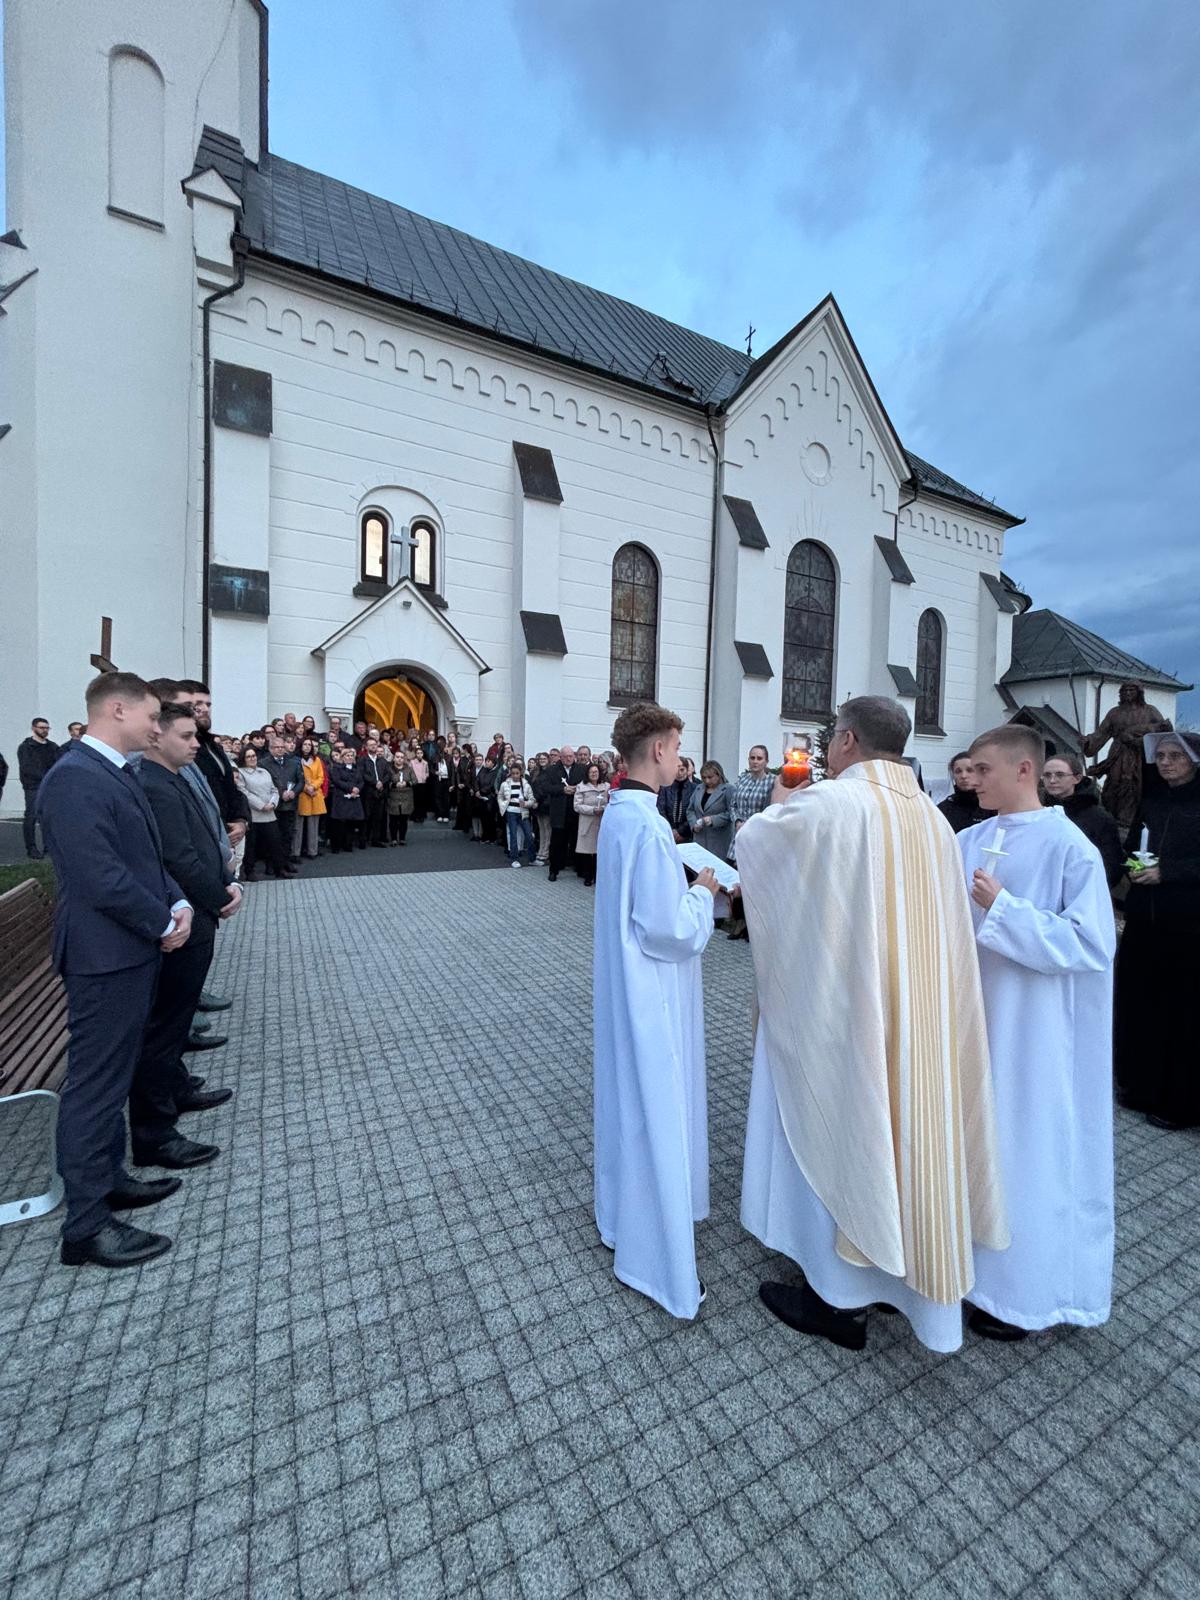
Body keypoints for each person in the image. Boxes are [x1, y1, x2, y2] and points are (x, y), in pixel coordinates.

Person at [738, 696, 1008, 1353]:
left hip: (849, 1008)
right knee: (908, 1133)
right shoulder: (933, 817)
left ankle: (839, 1296)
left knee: (851, 1124)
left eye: (833, 737)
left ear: (847, 740)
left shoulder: (832, 802)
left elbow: (757, 849)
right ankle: (893, 1278)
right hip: (920, 1014)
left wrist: (781, 798)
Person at [962, 723, 1116, 1341]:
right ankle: (967, 1271)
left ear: (1024, 770)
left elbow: (1091, 944)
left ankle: (1022, 1295)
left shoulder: (1070, 848)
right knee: (977, 1145)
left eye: (984, 770)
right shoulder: (969, 839)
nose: (972, 781)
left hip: (1036, 1033)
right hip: (974, 1019)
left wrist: (1005, 909)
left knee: (1026, 1152)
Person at [36, 672, 193, 1269]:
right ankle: (86, 1226)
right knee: (95, 1087)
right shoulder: (74, 778)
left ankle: (109, 1179)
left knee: (114, 1076)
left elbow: (144, 858)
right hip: (104, 957)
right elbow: (100, 876)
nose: (157, 728)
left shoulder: (114, 771)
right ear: (119, 710)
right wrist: (161, 920)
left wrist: (176, 900)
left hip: (128, 950)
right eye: (152, 717)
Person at [593, 702, 720, 1319]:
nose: (679, 759)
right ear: (660, 749)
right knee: (656, 1107)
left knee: (631, 1104)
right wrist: (702, 893)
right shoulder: (645, 825)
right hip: (652, 991)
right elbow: (666, 928)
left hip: (629, 985)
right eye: (677, 747)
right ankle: (660, 1262)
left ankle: (624, 1218)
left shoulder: (623, 812)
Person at [134, 703, 239, 1169]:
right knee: (165, 1025)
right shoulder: (153, 784)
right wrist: (218, 897)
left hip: (196, 912)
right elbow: (178, 857)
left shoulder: (173, 778)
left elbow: (202, 842)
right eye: (186, 735)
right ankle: (154, 1133)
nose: (196, 743)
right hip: (186, 917)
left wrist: (225, 883)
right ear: (157, 737)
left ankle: (174, 1087)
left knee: (176, 1020)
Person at [1115, 731, 1200, 1129]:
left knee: (1181, 1014)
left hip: (1187, 924)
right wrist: (1135, 864)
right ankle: (1140, 1086)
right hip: (1144, 919)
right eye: (1161, 756)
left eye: (1175, 756)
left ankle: (1181, 1102)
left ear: (1194, 761)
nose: (1165, 762)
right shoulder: (1152, 801)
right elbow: (1134, 844)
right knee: (1141, 1005)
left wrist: (1168, 872)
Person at [1081, 681, 1172, 832]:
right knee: (1113, 785)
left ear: (1139, 692)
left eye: (1132, 690)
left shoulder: (1150, 711)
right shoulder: (1114, 713)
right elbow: (1101, 733)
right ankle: (1111, 818)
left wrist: (1143, 739)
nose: (1128, 693)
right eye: (1125, 690)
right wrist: (1087, 741)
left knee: (1134, 785)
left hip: (1141, 756)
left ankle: (1129, 822)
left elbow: (1164, 732)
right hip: (1119, 755)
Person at [1041, 754, 1124, 888]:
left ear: (1077, 778)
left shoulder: (1100, 819)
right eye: (1047, 775)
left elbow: (1112, 866)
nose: (1052, 780)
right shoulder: (1036, 812)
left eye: (1060, 775)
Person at [725, 745, 774, 939]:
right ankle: (739, 920)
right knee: (737, 879)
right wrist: (737, 820)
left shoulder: (771, 782)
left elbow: (771, 808)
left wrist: (751, 823)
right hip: (739, 836)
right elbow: (733, 804)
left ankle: (753, 925)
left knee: (755, 882)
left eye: (759, 758)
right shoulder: (743, 779)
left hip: (759, 837)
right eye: (752, 758)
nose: (755, 761)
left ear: (766, 761)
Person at [234, 747, 293, 880]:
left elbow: (274, 789)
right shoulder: (241, 773)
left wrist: (273, 803)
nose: (252, 758)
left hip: (269, 813)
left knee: (275, 842)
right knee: (251, 846)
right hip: (253, 814)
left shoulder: (264, 771)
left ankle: (279, 869)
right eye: (249, 756)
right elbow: (244, 792)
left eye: (254, 756)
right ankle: (250, 871)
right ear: (243, 759)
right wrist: (261, 805)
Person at [18, 715, 60, 858]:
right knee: (31, 816)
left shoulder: (52, 747)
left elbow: (58, 764)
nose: (45, 730)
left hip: (50, 787)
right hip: (33, 787)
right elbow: (27, 768)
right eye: (42, 728)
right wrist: (45, 777)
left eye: (47, 728)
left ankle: (49, 846)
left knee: (48, 817)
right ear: (33, 728)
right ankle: (31, 848)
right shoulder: (26, 747)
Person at [547, 744, 585, 880]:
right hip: (559, 812)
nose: (569, 759)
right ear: (560, 757)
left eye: (571, 756)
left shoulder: (581, 769)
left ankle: (579, 868)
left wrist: (577, 789)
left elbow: (586, 784)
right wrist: (562, 790)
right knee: (557, 843)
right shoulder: (552, 770)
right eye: (566, 757)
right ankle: (554, 870)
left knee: (576, 841)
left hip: (575, 812)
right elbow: (545, 787)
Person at [263, 737, 303, 860]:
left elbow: (301, 781)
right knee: (272, 836)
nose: (280, 749)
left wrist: (294, 792)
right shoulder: (263, 763)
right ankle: (272, 863)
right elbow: (265, 783)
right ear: (270, 749)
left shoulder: (294, 762)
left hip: (289, 804)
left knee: (288, 834)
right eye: (277, 747)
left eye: (282, 747)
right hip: (273, 805)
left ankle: (285, 862)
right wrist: (281, 793)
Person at [688, 761, 734, 862]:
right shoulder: (699, 788)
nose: (707, 781)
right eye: (704, 777)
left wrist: (713, 820)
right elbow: (690, 810)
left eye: (710, 777)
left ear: (718, 775)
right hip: (700, 840)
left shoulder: (728, 789)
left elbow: (732, 813)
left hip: (719, 842)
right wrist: (693, 824)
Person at [938, 752, 994, 834]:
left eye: (970, 770)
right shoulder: (943, 809)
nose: (963, 776)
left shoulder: (993, 806)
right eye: (958, 771)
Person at [573, 762, 610, 886]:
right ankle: (587, 876)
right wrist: (592, 810)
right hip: (587, 821)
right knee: (588, 851)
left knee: (600, 851)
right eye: (591, 772)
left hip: (601, 821)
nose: (594, 774)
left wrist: (603, 809)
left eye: (596, 772)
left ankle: (598, 876)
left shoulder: (606, 786)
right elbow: (577, 806)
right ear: (587, 774)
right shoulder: (581, 786)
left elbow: (610, 803)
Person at [498, 760, 537, 867]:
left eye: (517, 773)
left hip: (523, 812)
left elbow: (532, 799)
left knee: (529, 835)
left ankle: (532, 859)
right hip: (511, 813)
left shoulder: (526, 784)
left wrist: (526, 803)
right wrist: (503, 806)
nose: (515, 775)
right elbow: (500, 796)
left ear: (521, 773)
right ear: (510, 773)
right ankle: (514, 859)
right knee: (513, 835)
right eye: (513, 773)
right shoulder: (505, 784)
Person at [327, 748, 365, 852]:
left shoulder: (357, 768)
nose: (350, 757)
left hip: (354, 797)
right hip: (341, 797)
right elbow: (337, 781)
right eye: (347, 756)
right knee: (339, 823)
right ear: (342, 757)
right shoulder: (337, 768)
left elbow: (361, 781)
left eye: (351, 756)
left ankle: (348, 844)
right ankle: (336, 846)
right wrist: (351, 788)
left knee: (351, 822)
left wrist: (357, 789)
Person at [656, 755, 700, 843]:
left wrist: (681, 832)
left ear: (687, 770)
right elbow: (661, 810)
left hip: (688, 835)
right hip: (667, 833)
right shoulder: (665, 788)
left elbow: (695, 811)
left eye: (682, 769)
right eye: (676, 769)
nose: (679, 773)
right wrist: (670, 830)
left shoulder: (695, 788)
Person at [296, 737, 327, 858]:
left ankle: (312, 851)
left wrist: (313, 787)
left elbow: (321, 777)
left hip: (315, 794)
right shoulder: (296, 759)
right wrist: (306, 788)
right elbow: (295, 777)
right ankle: (295, 852)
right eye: (305, 744)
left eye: (309, 745)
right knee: (298, 827)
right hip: (301, 794)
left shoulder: (317, 759)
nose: (307, 747)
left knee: (313, 825)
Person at [358, 737, 392, 847]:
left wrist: (382, 782)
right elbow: (362, 774)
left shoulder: (382, 761)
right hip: (368, 791)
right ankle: (363, 840)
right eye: (371, 744)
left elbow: (388, 774)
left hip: (381, 792)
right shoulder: (362, 760)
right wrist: (375, 782)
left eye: (375, 744)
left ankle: (375, 840)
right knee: (366, 816)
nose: (373, 746)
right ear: (366, 747)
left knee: (378, 817)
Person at [386, 749, 415, 844]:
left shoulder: (409, 769)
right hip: (393, 797)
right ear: (394, 758)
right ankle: (393, 839)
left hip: (406, 797)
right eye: (397, 757)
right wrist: (394, 784)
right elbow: (386, 782)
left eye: (402, 757)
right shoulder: (389, 769)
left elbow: (415, 781)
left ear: (404, 759)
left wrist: (407, 783)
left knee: (403, 820)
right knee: (393, 819)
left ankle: (402, 838)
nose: (399, 759)